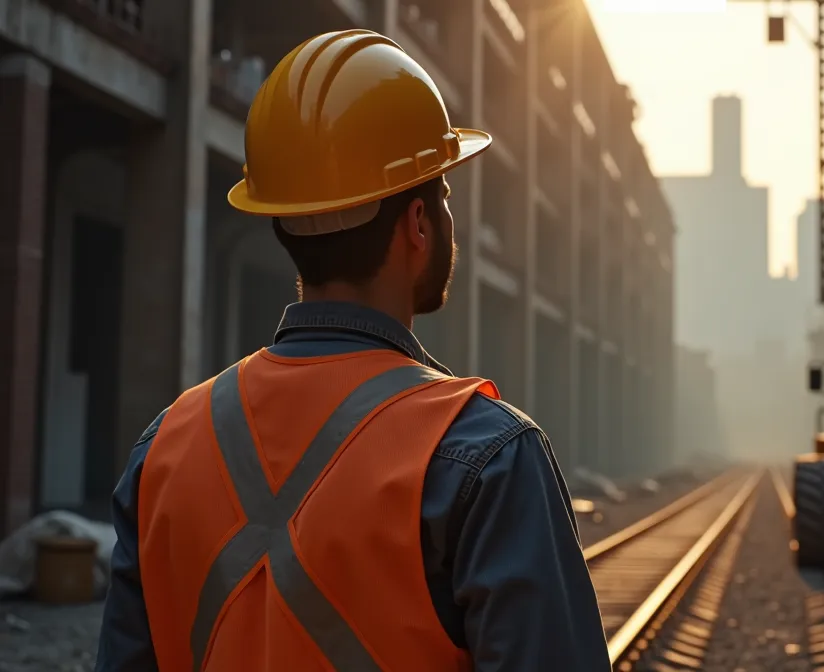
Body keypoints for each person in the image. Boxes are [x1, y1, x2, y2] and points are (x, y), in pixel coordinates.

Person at [94, 29, 609, 671]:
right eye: (443, 196)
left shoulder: (163, 449)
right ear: (418, 224)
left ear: (282, 218)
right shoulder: (485, 457)